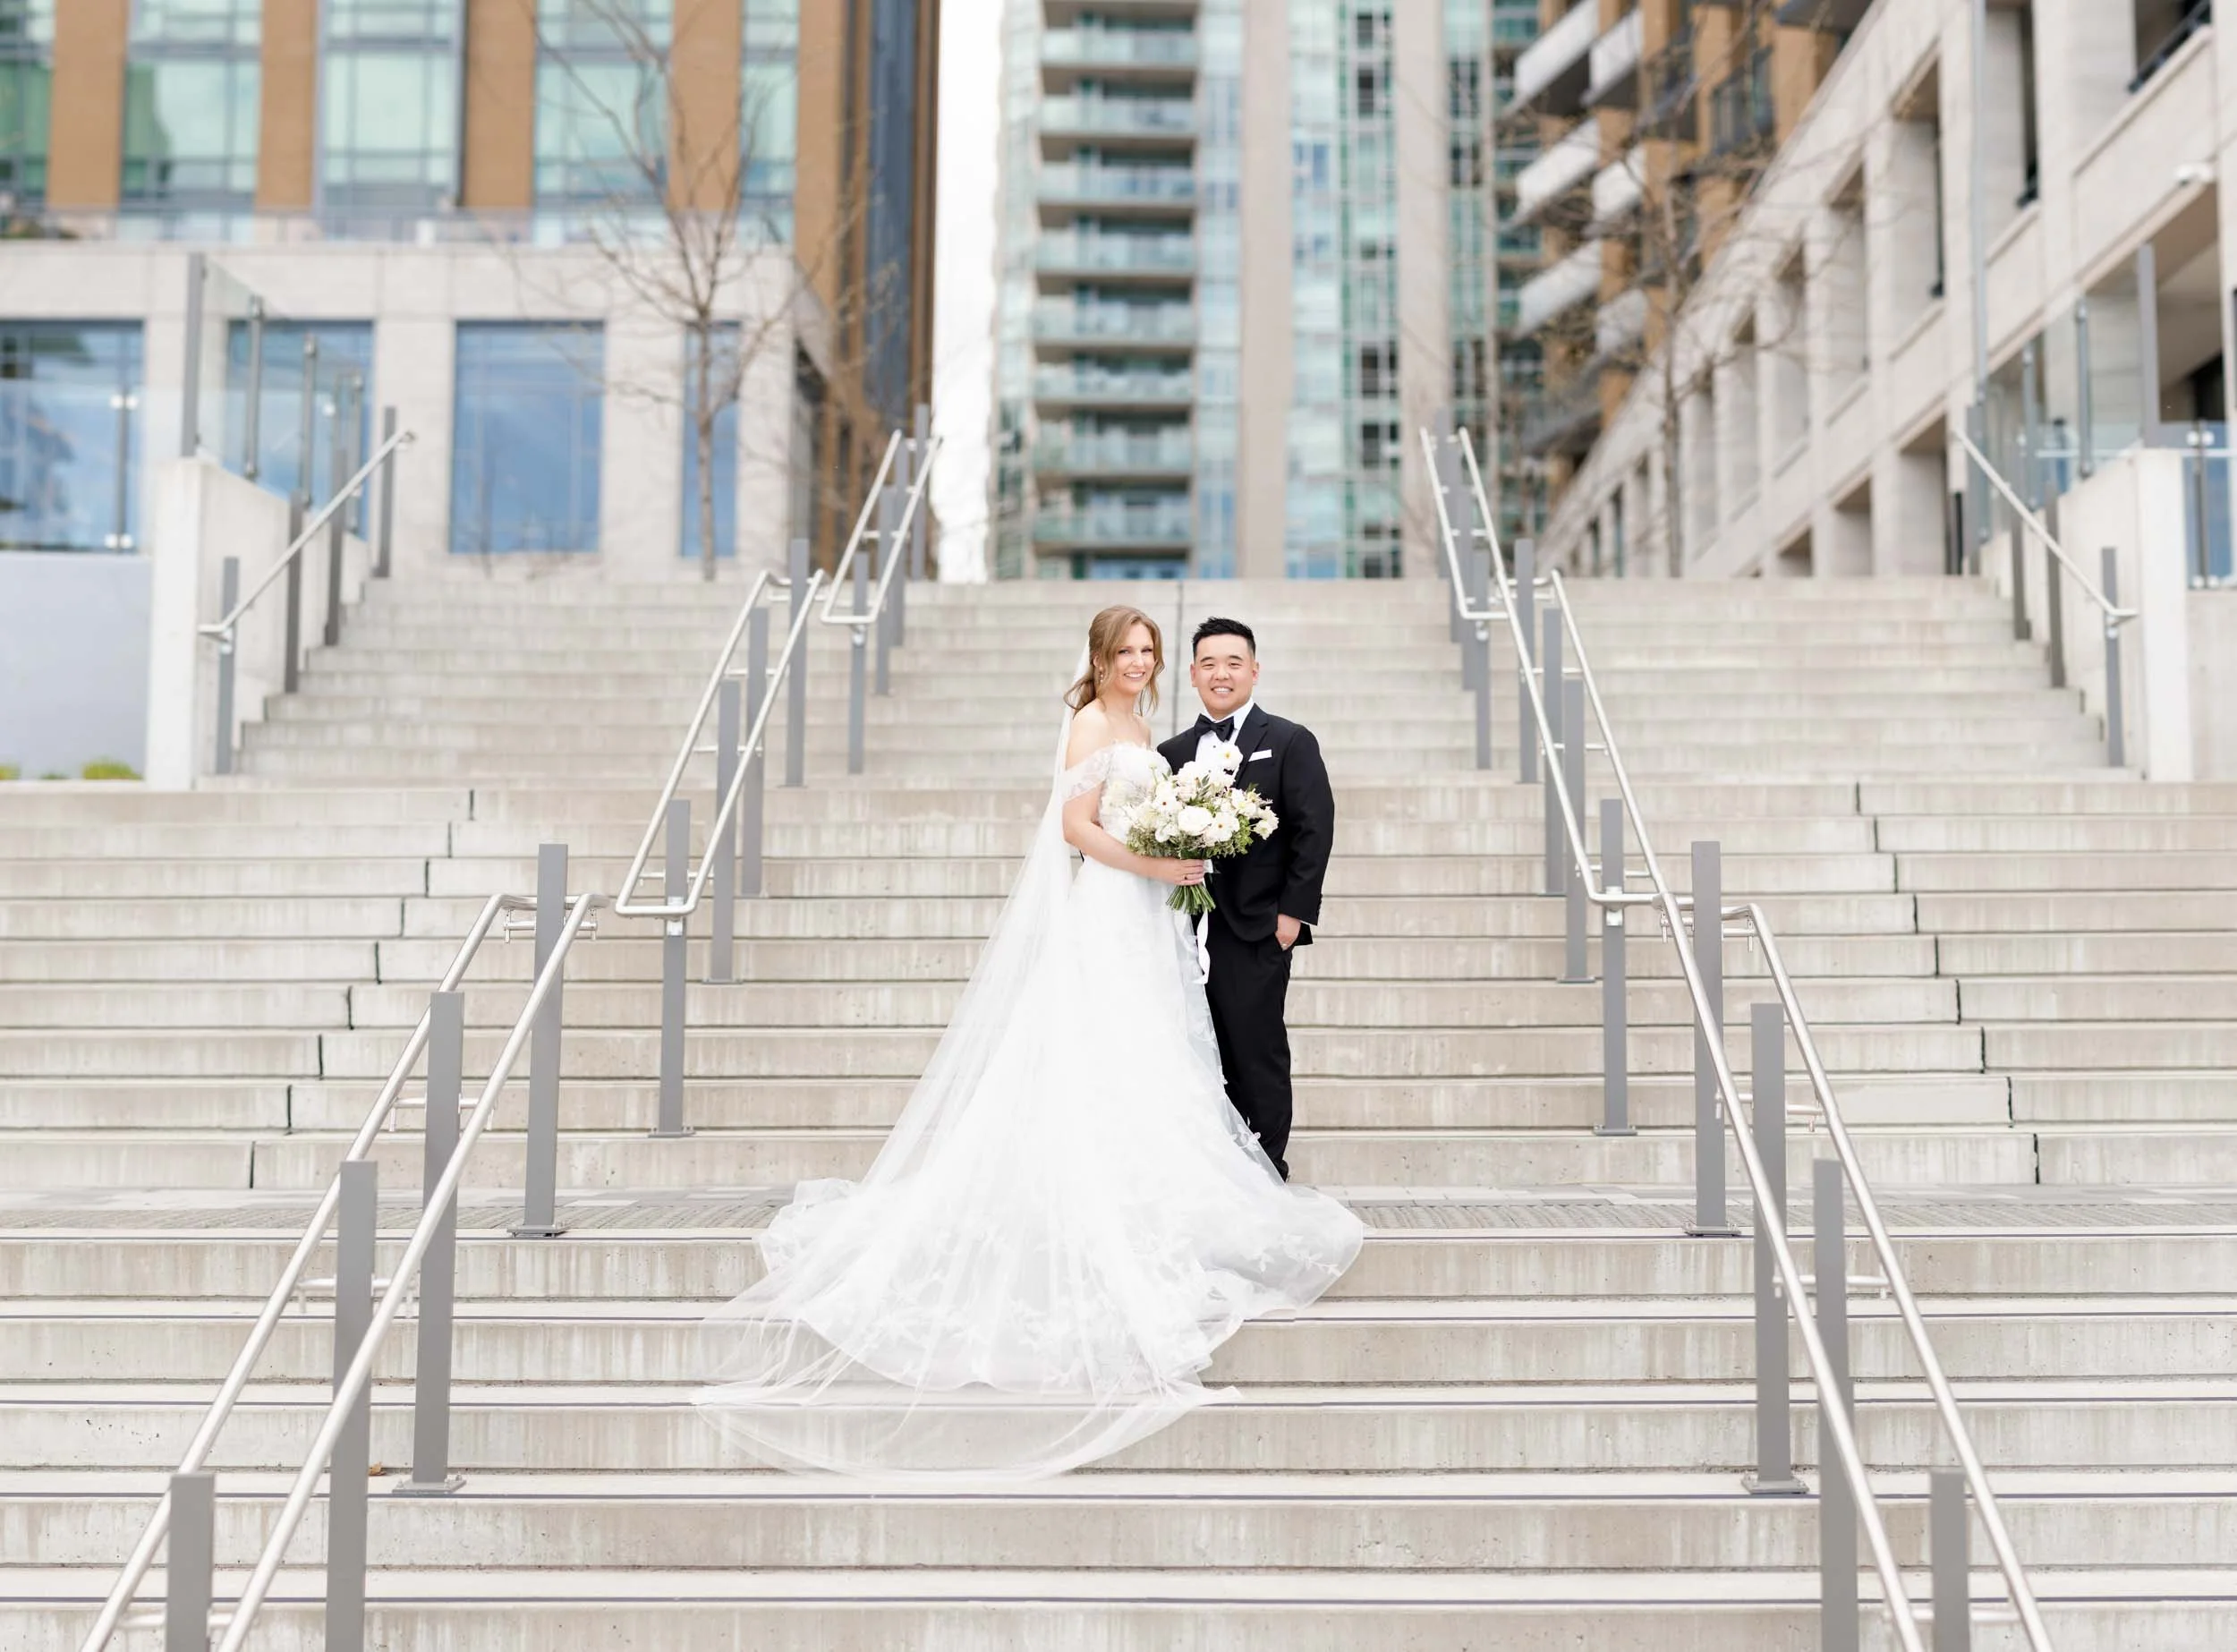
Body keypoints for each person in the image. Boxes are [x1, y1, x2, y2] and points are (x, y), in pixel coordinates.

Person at [694, 604, 1363, 1479]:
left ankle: (1199, 1186)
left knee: (1172, 1060)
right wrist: (1164, 865)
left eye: (1147, 650)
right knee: (1099, 1055)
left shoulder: (1158, 733)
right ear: (1103, 657)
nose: (1138, 661)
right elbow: (1075, 828)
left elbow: (1285, 823)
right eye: (1127, 650)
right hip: (1117, 911)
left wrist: (1253, 901)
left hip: (1165, 922)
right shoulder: (1096, 721)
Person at [1157, 617, 1334, 1181]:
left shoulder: (1287, 740)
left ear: (1254, 670)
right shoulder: (1170, 752)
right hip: (1182, 931)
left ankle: (1266, 1173)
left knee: (1255, 1053)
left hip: (1256, 928)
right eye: (1209, 663)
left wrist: (1291, 915)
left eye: (1234, 662)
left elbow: (1315, 827)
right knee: (1197, 1057)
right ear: (1192, 674)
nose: (1221, 673)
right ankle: (1212, 1177)